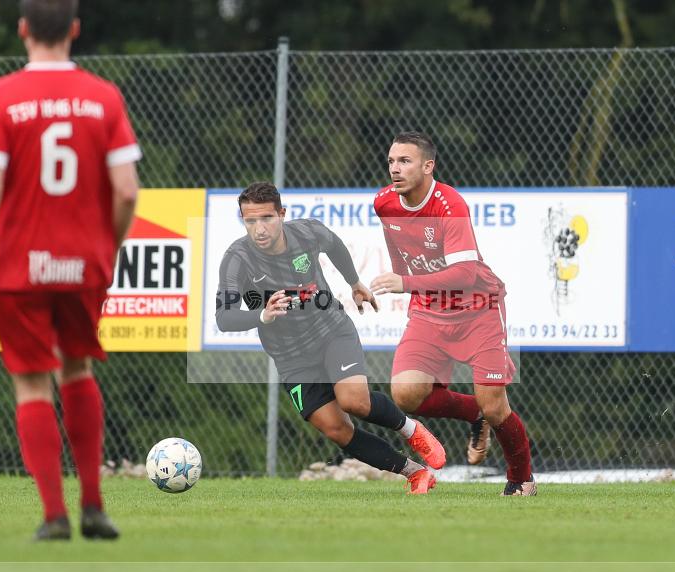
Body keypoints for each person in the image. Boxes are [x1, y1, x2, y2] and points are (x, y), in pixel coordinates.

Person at [0, 0, 141, 540]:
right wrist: (106, 248)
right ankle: (93, 505)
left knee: (31, 383)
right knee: (78, 370)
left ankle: (54, 516)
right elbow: (128, 190)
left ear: (22, 30)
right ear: (74, 30)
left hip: (20, 265)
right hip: (82, 263)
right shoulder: (103, 97)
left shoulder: (0, 97)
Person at [216, 182, 445, 494]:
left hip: (331, 331)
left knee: (354, 401)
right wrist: (262, 315)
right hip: (291, 357)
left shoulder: (308, 233)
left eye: (266, 218)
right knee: (337, 430)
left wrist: (355, 282)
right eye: (250, 221)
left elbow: (334, 244)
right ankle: (415, 473)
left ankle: (412, 430)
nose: (259, 229)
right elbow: (223, 317)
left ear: (282, 214)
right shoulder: (237, 259)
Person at [370, 131, 536, 496]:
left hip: (477, 311)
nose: (395, 169)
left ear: (428, 166)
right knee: (406, 393)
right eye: (391, 161)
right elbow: (407, 250)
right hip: (429, 312)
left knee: (496, 405)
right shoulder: (384, 203)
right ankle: (473, 414)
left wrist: (406, 282)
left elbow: (464, 274)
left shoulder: (450, 204)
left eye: (405, 161)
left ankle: (521, 478)